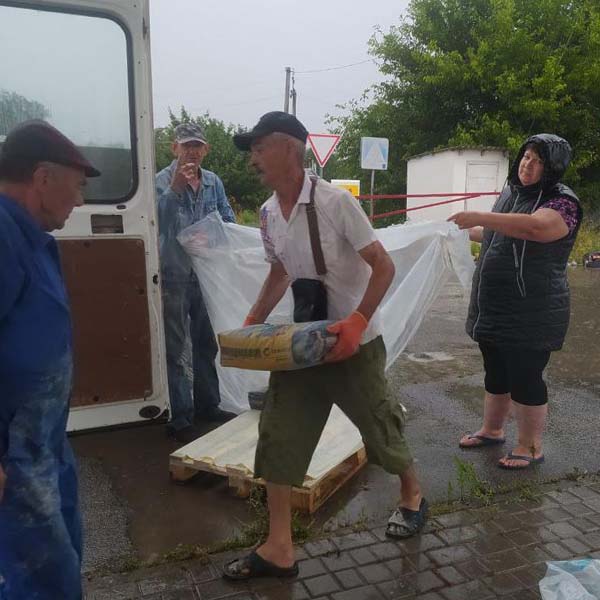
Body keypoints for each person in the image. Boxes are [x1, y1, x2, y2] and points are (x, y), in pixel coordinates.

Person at [223, 112, 428, 581]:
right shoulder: (269, 213)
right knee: (278, 435)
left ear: (291, 149)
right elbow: (280, 272)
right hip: (301, 345)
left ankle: (413, 495)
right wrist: (252, 322)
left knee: (380, 429)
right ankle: (278, 548)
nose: (252, 158)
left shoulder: (337, 203)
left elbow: (383, 267)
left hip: (354, 344)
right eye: (251, 149)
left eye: (259, 147)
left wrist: (357, 322)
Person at [0, 120, 100, 599]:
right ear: (42, 178)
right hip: (12, 459)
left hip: (44, 447)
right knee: (33, 579)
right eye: (77, 187)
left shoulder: (34, 237)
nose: (80, 201)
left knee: (61, 563)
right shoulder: (1, 236)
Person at [449, 133, 582, 470]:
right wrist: (454, 232)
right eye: (525, 156)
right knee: (495, 372)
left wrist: (481, 216)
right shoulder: (511, 192)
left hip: (532, 310)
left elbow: (536, 229)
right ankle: (492, 430)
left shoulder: (562, 201)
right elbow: (495, 233)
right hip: (494, 306)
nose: (528, 164)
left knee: (525, 376)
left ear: (552, 168)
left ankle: (531, 446)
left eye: (537, 160)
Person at [155, 123, 237, 443]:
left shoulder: (213, 181)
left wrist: (212, 235)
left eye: (197, 146)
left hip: (205, 274)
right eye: (185, 145)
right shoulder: (161, 180)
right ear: (174, 148)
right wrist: (175, 189)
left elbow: (227, 220)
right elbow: (156, 223)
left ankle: (208, 405)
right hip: (173, 274)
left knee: (207, 343)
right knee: (177, 348)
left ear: (206, 150)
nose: (191, 151)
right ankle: (181, 416)